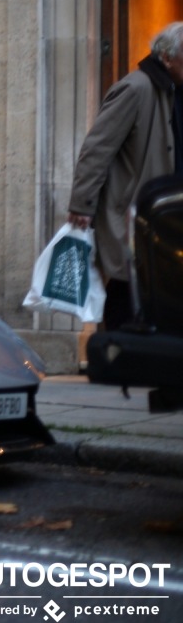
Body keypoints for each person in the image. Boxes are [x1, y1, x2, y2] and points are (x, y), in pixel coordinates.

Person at [68, 21, 183, 411]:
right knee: (124, 288)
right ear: (167, 58)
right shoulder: (135, 88)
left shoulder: (172, 89)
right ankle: (118, 367)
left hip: (164, 218)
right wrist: (81, 205)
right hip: (131, 215)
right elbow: (96, 150)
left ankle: (141, 368)